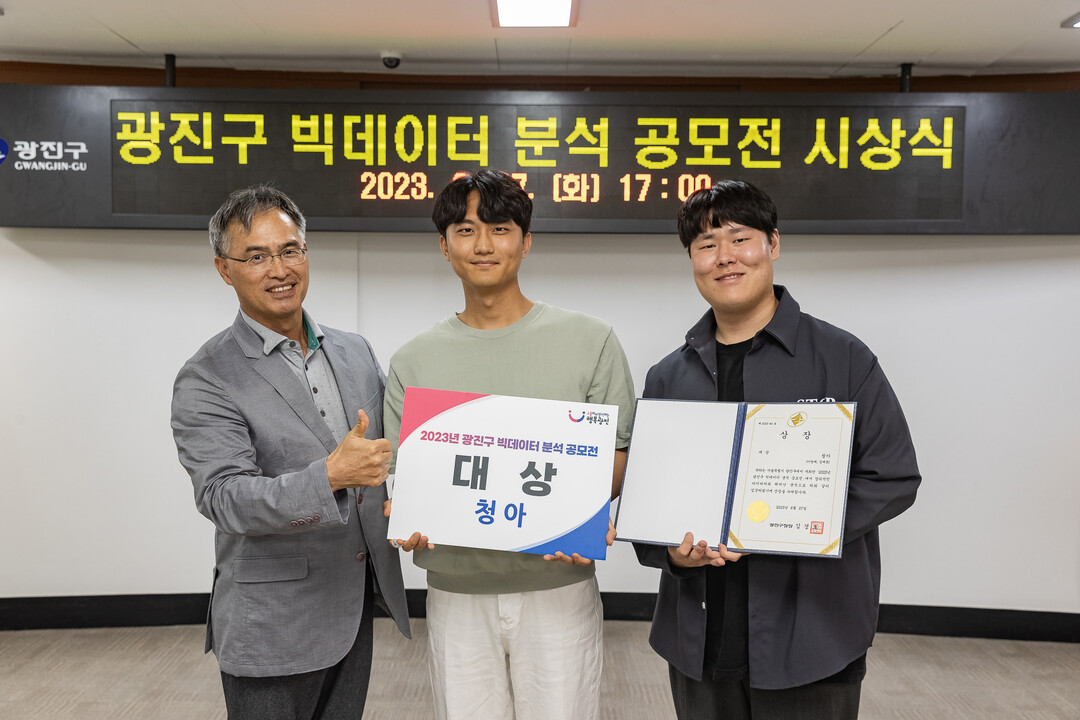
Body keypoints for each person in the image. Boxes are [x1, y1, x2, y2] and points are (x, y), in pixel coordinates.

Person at [635, 179, 920, 719]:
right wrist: (672, 552)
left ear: (773, 244)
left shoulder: (842, 358)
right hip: (699, 640)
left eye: (740, 238)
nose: (725, 257)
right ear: (692, 260)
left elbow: (893, 477)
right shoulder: (669, 376)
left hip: (813, 638)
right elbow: (651, 502)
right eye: (706, 245)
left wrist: (800, 525)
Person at [383, 169, 635, 720]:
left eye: (500, 229)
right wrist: (405, 514)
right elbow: (411, 479)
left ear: (526, 241)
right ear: (444, 246)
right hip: (456, 590)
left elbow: (618, 455)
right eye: (466, 230)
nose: (483, 245)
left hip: (559, 584)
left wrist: (580, 510)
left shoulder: (591, 341)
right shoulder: (413, 361)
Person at [171, 185, 410, 720]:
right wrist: (328, 477)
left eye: (290, 250)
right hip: (271, 623)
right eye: (256, 256)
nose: (279, 270)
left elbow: (393, 449)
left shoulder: (355, 350)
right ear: (224, 269)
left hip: (353, 605)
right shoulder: (207, 376)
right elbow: (224, 497)